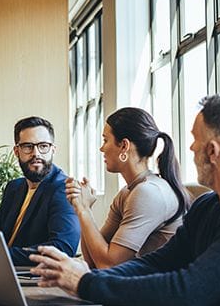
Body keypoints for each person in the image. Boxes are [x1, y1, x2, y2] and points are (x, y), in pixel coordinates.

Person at [29, 95, 220, 306]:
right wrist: (85, 279)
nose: (190, 147)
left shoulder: (150, 192)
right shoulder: (206, 207)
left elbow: (188, 290)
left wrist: (85, 282)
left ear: (212, 151)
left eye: (195, 139)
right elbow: (156, 263)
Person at [65, 107, 188, 268]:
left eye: (105, 140)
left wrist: (84, 210)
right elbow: (92, 261)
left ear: (124, 146)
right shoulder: (128, 192)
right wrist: (81, 209)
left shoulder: (148, 193)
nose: (102, 148)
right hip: (138, 283)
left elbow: (108, 265)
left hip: (159, 288)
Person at [0, 116, 80, 266]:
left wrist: (1, 255)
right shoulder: (13, 187)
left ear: (53, 150)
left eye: (43, 146)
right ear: (17, 151)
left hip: (35, 278)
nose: (36, 153)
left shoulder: (63, 189)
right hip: (0, 271)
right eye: (28, 146)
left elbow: (63, 248)